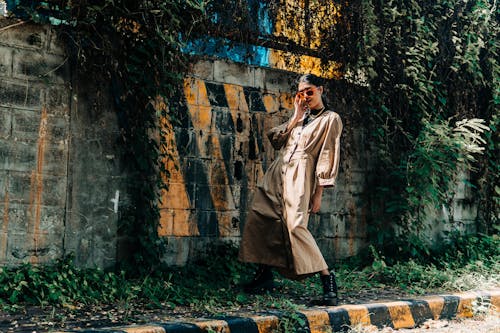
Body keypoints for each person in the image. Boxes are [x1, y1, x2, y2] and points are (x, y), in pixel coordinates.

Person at [238, 73, 343, 306]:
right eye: (301, 93)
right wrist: (295, 116)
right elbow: (276, 141)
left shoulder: (330, 119)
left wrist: (318, 194)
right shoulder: (299, 118)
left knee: (295, 225)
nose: (306, 97)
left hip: (301, 177)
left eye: (310, 92)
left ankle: (328, 281)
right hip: (278, 173)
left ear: (320, 90)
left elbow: (327, 156)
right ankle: (264, 274)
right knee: (264, 218)